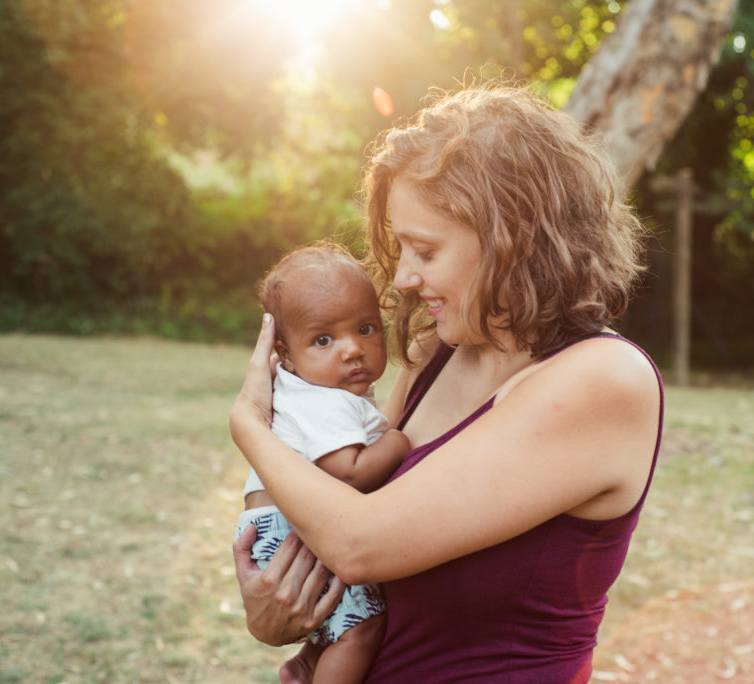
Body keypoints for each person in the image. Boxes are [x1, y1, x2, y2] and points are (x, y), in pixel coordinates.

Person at [230, 85, 664, 683]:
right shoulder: (440, 350)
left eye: (425, 250)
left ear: (513, 237)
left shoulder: (603, 380)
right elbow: (347, 538)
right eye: (401, 247)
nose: (405, 277)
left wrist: (250, 426)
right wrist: (282, 613)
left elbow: (359, 544)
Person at [235, 240, 410, 683]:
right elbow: (347, 472)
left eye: (367, 328)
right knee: (362, 629)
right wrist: (399, 441)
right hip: (287, 526)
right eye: (324, 339)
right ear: (286, 356)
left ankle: (311, 661)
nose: (352, 349)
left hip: (282, 519)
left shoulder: (312, 389)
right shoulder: (326, 402)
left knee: (340, 618)